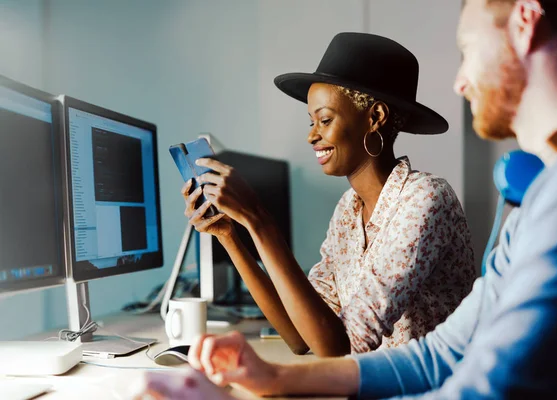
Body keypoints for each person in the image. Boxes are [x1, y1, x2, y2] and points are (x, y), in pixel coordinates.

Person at [133, 0, 557, 398]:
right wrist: (272, 375)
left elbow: (486, 382)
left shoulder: (437, 199)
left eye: (467, 51)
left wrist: (261, 220)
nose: (459, 82)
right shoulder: (539, 194)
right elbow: (438, 351)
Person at [181, 32, 475, 356]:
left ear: (374, 118)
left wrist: (259, 218)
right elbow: (300, 336)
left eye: (324, 119)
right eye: (312, 121)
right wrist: (229, 235)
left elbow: (336, 348)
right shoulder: (348, 210)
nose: (311, 136)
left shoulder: (425, 200)